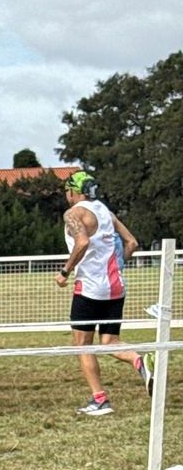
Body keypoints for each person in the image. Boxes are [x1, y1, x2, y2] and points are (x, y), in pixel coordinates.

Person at [58, 170, 150, 416]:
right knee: (110, 342)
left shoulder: (73, 213)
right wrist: (118, 266)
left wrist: (65, 272)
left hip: (89, 287)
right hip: (116, 286)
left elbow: (82, 242)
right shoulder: (106, 212)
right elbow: (132, 243)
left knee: (82, 346)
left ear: (73, 191)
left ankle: (100, 400)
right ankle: (140, 360)